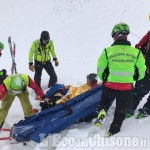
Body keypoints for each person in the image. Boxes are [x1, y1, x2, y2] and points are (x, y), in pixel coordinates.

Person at [94, 23, 146, 137]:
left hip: (110, 86)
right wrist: (133, 78)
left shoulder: (107, 51)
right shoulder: (136, 53)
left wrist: (105, 79)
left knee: (105, 100)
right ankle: (112, 131)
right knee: (120, 112)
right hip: (126, 89)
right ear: (126, 35)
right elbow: (142, 71)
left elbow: (100, 70)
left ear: (116, 35)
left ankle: (102, 110)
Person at [126, 30, 150, 119]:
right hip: (146, 69)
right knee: (139, 90)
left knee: (139, 90)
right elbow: (138, 46)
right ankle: (130, 108)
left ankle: (147, 109)